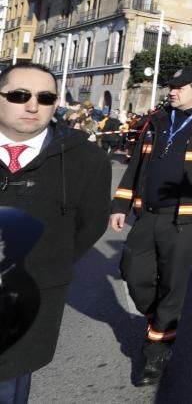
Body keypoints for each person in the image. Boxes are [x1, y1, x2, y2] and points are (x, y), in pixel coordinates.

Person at [109, 68, 192, 387]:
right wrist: (120, 205)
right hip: (148, 214)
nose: (172, 91)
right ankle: (159, 322)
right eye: (171, 87)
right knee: (132, 272)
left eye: (179, 87)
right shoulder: (156, 121)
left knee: (173, 285)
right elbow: (136, 164)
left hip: (187, 219)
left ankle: (157, 351)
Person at [0, 63, 111, 404]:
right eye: (19, 96)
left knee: (9, 381)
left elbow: (90, 224)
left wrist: (46, 262)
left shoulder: (86, 159)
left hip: (34, 290)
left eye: (45, 98)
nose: (32, 106)